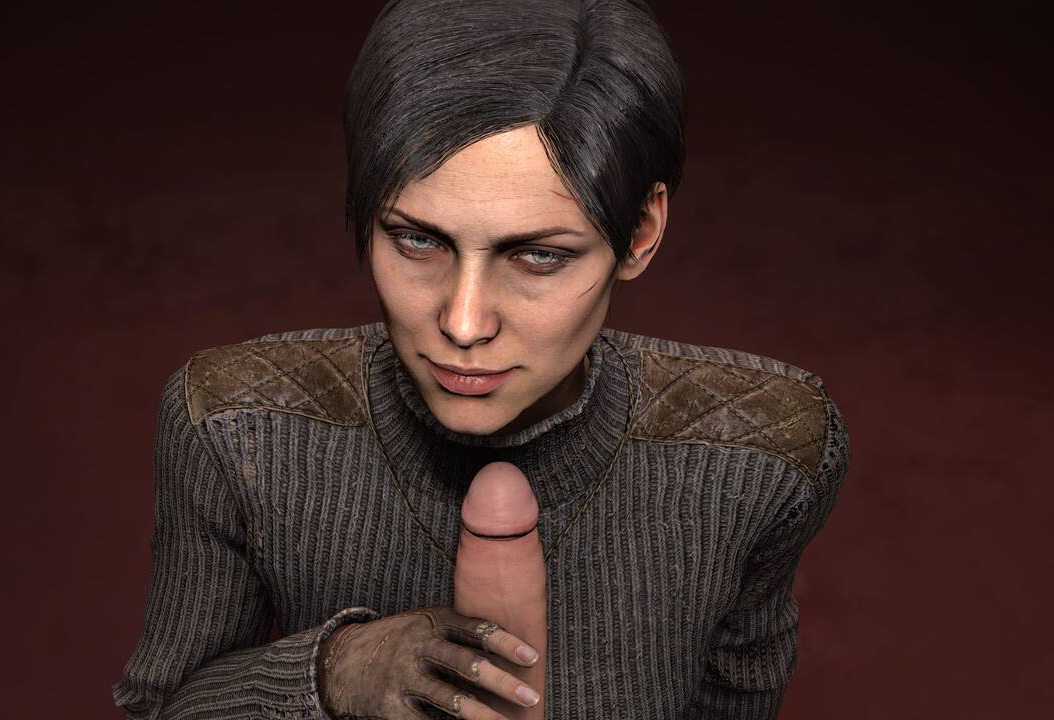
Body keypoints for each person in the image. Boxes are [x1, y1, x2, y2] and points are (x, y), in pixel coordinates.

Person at [111, 0, 850, 718]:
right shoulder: (237, 427)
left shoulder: (759, 452)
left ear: (641, 231)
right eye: (417, 240)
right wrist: (337, 672)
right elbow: (163, 706)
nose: (463, 323)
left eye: (538, 256)